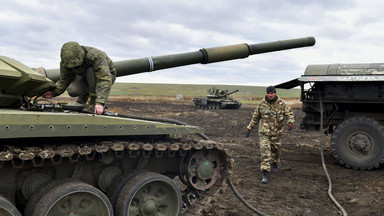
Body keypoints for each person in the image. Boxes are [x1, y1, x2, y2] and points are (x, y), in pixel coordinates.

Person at [42, 42, 117, 115]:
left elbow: (104, 78)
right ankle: (84, 97)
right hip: (85, 77)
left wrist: (100, 102)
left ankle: (93, 102)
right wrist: (53, 92)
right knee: (72, 90)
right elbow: (65, 80)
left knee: (90, 70)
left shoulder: (95, 56)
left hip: (107, 77)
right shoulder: (66, 62)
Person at [246, 86, 294, 184]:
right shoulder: (262, 104)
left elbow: (290, 114)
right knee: (265, 151)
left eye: (272, 93)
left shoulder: (282, 104)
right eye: (269, 93)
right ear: (267, 94)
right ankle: (265, 173)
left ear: (275, 93)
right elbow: (255, 118)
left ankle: (275, 162)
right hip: (264, 132)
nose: (270, 95)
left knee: (276, 150)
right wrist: (249, 128)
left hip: (277, 133)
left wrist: (290, 122)